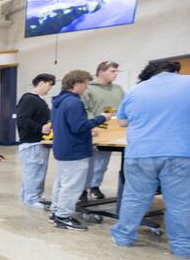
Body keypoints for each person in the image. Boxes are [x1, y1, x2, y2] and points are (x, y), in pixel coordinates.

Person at [110, 60, 190, 258]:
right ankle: (182, 247)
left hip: (140, 152)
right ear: (175, 71)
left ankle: (123, 237)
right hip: (179, 152)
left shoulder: (135, 91)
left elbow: (122, 121)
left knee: (135, 197)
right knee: (180, 202)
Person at [49, 70, 111, 230]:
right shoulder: (74, 102)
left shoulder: (59, 101)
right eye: (86, 84)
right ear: (76, 83)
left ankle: (56, 211)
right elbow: (79, 127)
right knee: (72, 186)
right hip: (75, 151)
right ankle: (63, 217)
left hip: (62, 148)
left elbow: (67, 125)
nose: (87, 88)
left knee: (61, 183)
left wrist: (85, 129)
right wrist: (101, 118)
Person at [81, 60, 124, 200]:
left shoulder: (118, 89)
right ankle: (82, 189)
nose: (116, 74)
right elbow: (84, 109)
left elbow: (123, 108)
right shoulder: (88, 89)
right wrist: (93, 123)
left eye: (117, 71)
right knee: (87, 163)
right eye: (112, 71)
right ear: (101, 72)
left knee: (102, 163)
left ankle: (95, 186)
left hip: (112, 131)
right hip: (92, 130)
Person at [16, 73, 56, 208]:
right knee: (34, 173)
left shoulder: (38, 100)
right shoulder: (28, 99)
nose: (49, 89)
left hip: (39, 143)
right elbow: (22, 120)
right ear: (41, 83)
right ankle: (32, 199)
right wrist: (40, 128)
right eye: (49, 85)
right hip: (32, 143)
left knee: (33, 172)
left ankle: (27, 196)